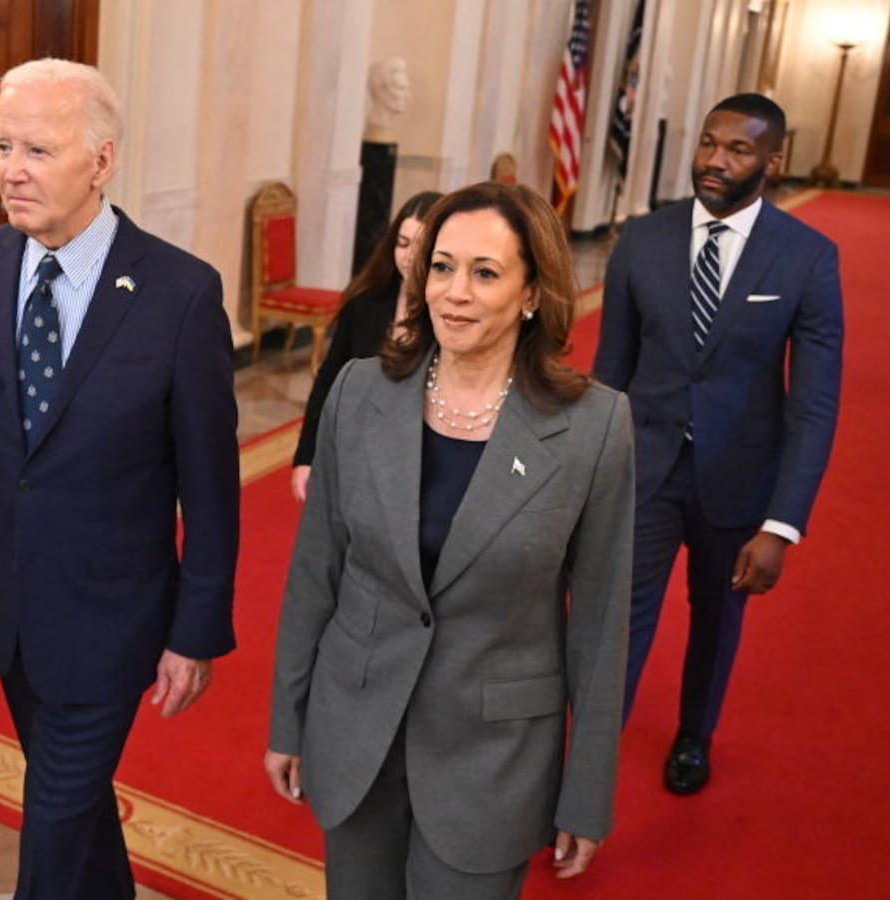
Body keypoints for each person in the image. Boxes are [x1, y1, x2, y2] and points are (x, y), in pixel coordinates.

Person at [0, 58, 240, 899]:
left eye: (37, 147)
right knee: (76, 806)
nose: (10, 169)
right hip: (6, 611)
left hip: (115, 618)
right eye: (2, 144)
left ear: (100, 161)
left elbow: (211, 488)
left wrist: (195, 630)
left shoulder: (180, 294)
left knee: (55, 820)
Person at [266, 183, 634, 898]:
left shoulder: (594, 428)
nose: (454, 293)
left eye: (485, 273)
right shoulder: (358, 393)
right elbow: (316, 574)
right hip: (358, 731)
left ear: (532, 293)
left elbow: (599, 625)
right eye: (441, 267)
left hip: (489, 760)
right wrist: (290, 718)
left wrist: (587, 791)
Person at [593, 92, 843, 795]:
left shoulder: (808, 259)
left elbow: (814, 406)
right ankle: (588, 763)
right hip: (642, 470)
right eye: (708, 143)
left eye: (737, 149)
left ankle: (693, 736)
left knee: (715, 619)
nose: (715, 160)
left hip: (736, 483)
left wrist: (782, 524)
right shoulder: (643, 239)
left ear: (773, 160)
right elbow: (610, 373)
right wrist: (589, 477)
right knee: (616, 624)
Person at [291, 190, 441, 501]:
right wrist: (307, 455)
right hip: (357, 451)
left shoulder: (452, 313)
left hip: (423, 462)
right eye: (402, 243)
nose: (409, 256)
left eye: (422, 245)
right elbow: (329, 380)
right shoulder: (366, 303)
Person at [364, 57, 412, 143]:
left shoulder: (387, 128)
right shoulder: (375, 126)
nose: (408, 96)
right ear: (379, 90)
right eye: (400, 88)